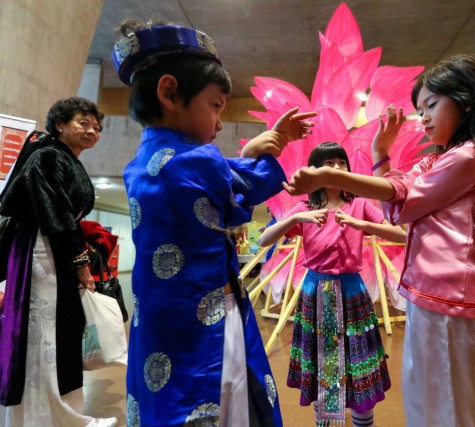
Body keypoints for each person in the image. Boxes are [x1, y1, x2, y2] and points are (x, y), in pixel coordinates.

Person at [283, 55, 475, 427]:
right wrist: (380, 155)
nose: (422, 117)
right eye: (419, 109)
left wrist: (355, 206)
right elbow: (398, 197)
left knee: (435, 397)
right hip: (374, 291)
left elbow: (398, 209)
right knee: (416, 389)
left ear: (466, 100)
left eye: (431, 105)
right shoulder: (440, 160)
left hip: (440, 294)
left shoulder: (469, 157)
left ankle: (360, 419)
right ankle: (330, 419)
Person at [112, 21, 316, 427]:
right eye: (216, 106)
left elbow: (217, 177)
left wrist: (252, 152)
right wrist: (267, 152)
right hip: (205, 317)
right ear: (169, 92)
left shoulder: (137, 167)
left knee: (164, 402)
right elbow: (241, 188)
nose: (219, 122)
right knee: (221, 404)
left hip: (158, 316)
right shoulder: (201, 161)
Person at [258, 142, 404, 427]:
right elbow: (264, 241)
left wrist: (363, 226)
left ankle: (364, 421)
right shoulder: (305, 209)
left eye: (341, 163)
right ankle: (325, 422)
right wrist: (297, 217)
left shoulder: (360, 205)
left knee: (359, 366)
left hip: (352, 292)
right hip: (316, 293)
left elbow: (400, 234)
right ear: (314, 172)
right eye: (329, 164)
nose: (337, 168)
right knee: (322, 366)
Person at [0, 97, 118, 426]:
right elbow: (56, 213)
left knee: (59, 331)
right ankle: (43, 419)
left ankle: (61, 415)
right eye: (84, 123)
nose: (92, 131)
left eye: (97, 127)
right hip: (42, 251)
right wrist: (81, 262)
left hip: (51, 249)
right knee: (44, 333)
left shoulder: (63, 158)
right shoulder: (49, 156)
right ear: (59, 124)